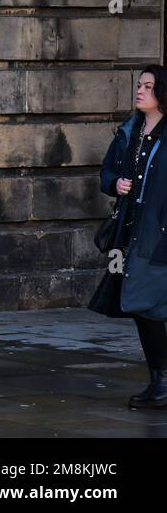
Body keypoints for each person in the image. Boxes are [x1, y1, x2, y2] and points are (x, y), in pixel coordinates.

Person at [92, 63, 167, 408]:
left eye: (149, 86)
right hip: (131, 233)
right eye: (140, 85)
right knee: (141, 306)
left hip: (158, 234)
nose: (140, 90)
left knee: (147, 304)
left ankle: (162, 381)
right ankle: (160, 379)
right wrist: (115, 183)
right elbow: (107, 171)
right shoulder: (130, 131)